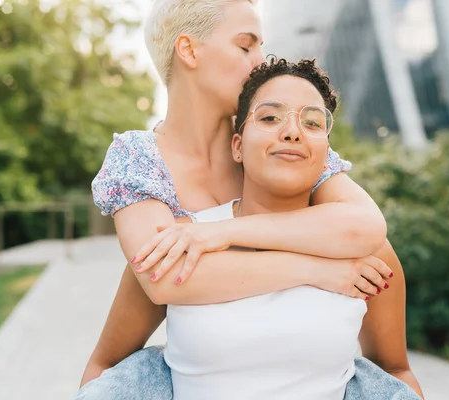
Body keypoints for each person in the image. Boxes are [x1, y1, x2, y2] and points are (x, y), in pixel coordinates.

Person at [77, 0, 424, 398]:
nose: (260, 61)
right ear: (189, 50)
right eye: (246, 46)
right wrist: (319, 270)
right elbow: (166, 279)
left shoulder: (278, 146)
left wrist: (218, 233)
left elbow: (365, 229)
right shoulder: (140, 159)